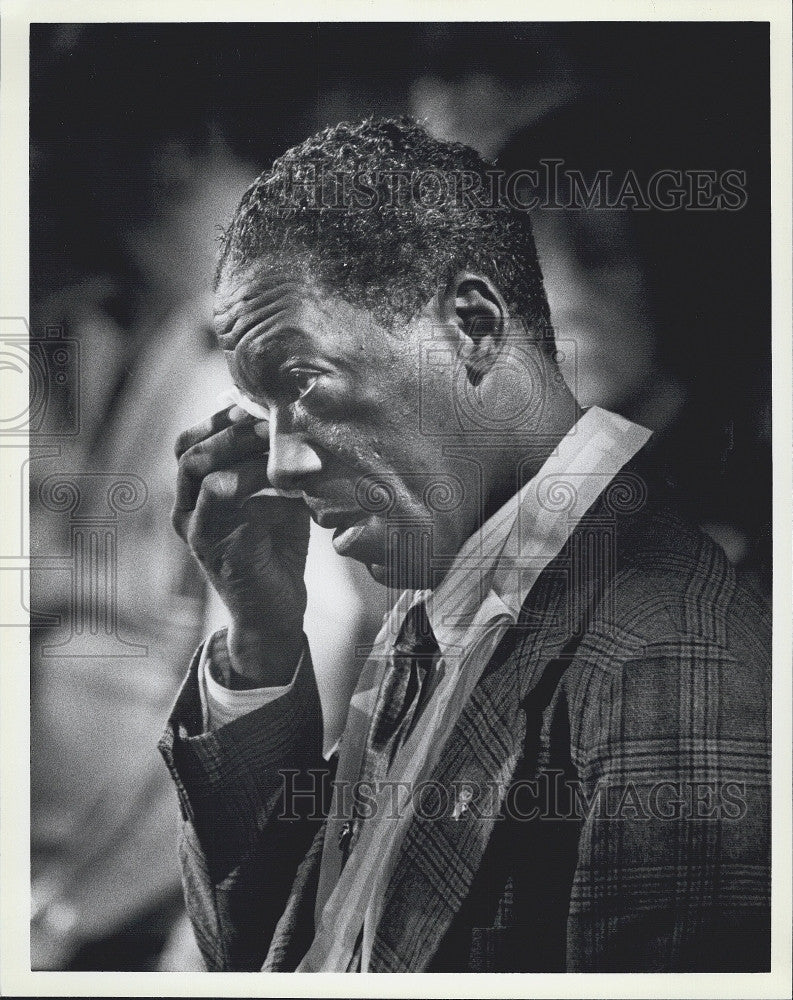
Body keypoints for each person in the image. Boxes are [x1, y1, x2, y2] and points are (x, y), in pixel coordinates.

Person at [158, 117, 771, 973]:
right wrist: (260, 641)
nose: (283, 464)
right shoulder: (451, 586)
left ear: (475, 324)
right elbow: (284, 956)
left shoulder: (671, 659)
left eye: (304, 384)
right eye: (264, 412)